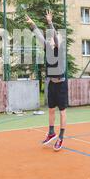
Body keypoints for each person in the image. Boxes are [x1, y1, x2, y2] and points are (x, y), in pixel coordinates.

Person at [26, 10, 68, 152]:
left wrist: (50, 23)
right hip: (52, 84)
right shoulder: (48, 49)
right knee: (51, 110)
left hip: (61, 84)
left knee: (62, 111)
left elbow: (55, 37)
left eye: (52, 40)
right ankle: (51, 132)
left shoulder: (59, 49)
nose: (50, 40)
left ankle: (61, 137)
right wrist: (32, 25)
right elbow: (39, 37)